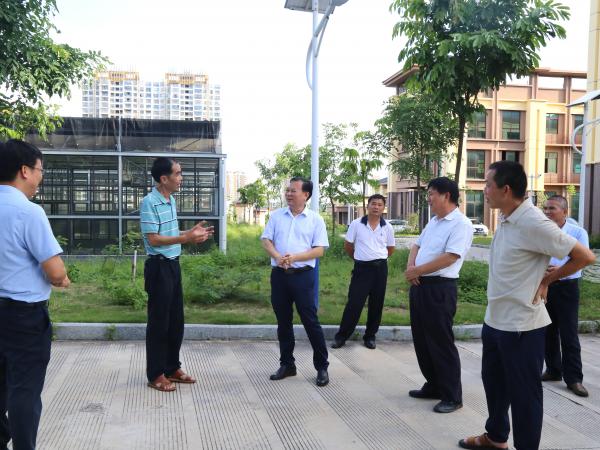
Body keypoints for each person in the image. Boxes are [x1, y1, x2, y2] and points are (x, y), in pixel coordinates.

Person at [459, 161, 595, 450]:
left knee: (524, 396)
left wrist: (550, 278)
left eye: (488, 185)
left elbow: (584, 256)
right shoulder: (508, 217)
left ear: (506, 190)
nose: (484, 191)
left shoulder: (534, 222)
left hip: (521, 326)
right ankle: (496, 437)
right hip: (495, 319)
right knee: (494, 385)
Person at [0, 139, 70, 450]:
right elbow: (54, 271)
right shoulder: (28, 212)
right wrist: (62, 278)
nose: (41, 177)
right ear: (24, 170)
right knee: (24, 390)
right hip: (23, 317)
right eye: (40, 170)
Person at [141, 157, 213, 392]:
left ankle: (172, 368)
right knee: (159, 323)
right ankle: (156, 374)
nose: (181, 178)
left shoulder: (169, 200)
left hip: (173, 265)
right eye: (178, 174)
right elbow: (154, 239)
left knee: (175, 321)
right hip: (158, 267)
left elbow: (169, 232)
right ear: (164, 179)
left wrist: (190, 233)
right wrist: (186, 238)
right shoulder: (149, 202)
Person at [404, 177, 473, 414]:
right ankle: (433, 384)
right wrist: (411, 268)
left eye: (432, 193)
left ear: (446, 195)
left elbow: (451, 257)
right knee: (422, 340)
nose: (429, 199)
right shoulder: (434, 221)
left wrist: (418, 270)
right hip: (420, 285)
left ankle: (452, 396)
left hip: (440, 289)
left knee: (441, 342)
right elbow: (417, 245)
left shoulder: (461, 224)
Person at [261, 177, 330, 387]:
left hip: (303, 276)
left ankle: (322, 367)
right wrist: (277, 256)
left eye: (293, 191)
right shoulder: (276, 216)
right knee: (283, 322)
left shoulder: (315, 219)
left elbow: (319, 250)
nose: (289, 194)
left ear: (306, 195)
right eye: (288, 190)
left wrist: (294, 258)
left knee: (310, 321)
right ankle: (287, 364)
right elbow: (266, 240)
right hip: (280, 276)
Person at [332, 194, 395, 350]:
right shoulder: (356, 224)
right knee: (354, 303)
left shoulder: (387, 226)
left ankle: (370, 336)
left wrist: (378, 259)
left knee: (376, 304)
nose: (376, 207)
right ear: (368, 206)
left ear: (383, 208)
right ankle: (341, 337)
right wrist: (359, 258)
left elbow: (390, 248)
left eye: (379, 204)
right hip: (362, 269)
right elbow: (348, 245)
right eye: (373, 204)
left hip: (380, 269)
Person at [542, 195, 589, 397]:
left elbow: (582, 260)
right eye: (545, 208)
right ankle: (553, 370)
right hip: (545, 285)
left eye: (552, 208)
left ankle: (574, 379)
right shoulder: (542, 232)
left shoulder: (577, 232)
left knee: (568, 334)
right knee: (547, 330)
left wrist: (558, 271)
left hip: (567, 287)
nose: (547, 212)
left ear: (565, 212)